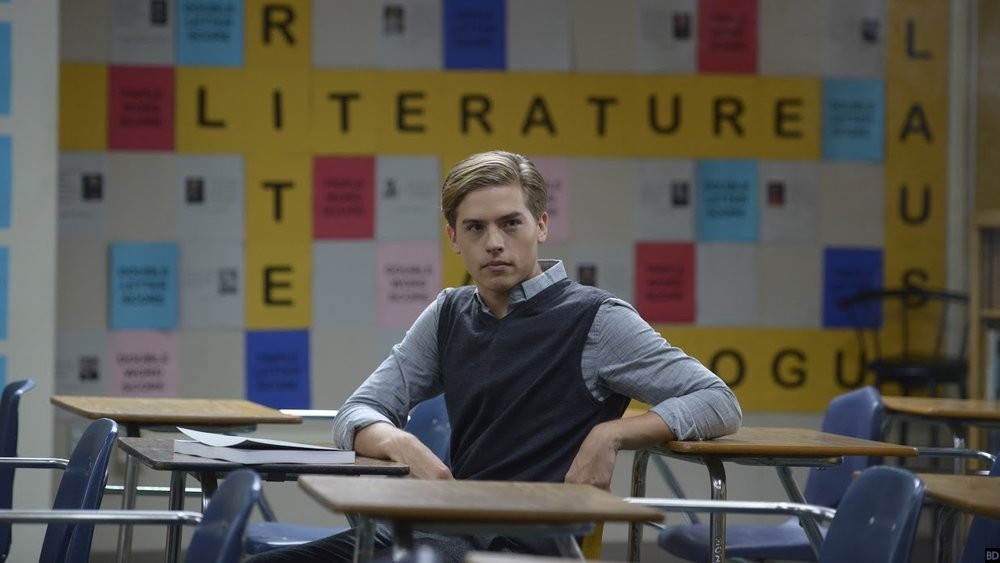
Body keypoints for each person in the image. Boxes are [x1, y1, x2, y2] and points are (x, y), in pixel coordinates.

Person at [248, 150, 742, 563]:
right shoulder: (449, 313)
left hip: (523, 545)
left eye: (510, 223)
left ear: (541, 225)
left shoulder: (595, 318)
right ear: (453, 238)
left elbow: (717, 400)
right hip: (438, 530)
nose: (494, 244)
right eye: (475, 228)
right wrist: (400, 442)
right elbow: (357, 412)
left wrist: (611, 434)